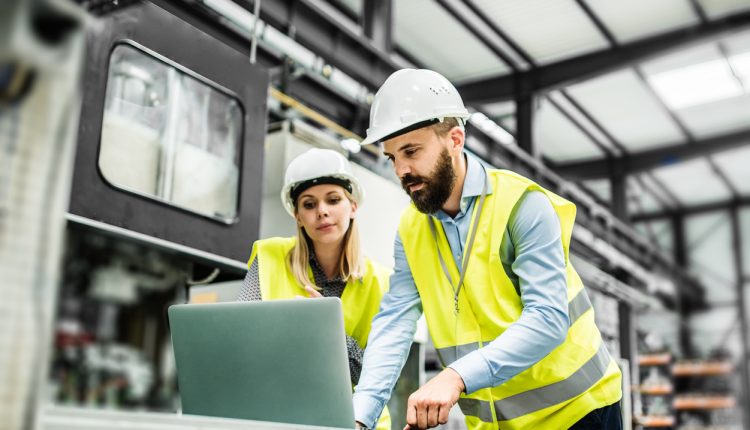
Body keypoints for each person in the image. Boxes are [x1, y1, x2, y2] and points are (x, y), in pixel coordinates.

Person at [352, 69, 623, 430]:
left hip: (579, 412)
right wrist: (359, 416)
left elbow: (549, 318)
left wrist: (455, 377)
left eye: (411, 151)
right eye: (392, 158)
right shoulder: (411, 231)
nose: (402, 170)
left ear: (455, 139)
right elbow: (394, 323)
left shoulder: (522, 205)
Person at [237, 148, 391, 430]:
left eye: (333, 200)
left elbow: (376, 373)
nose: (322, 211)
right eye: (309, 204)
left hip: (356, 421)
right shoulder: (269, 257)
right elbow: (242, 341)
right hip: (281, 415)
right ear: (298, 216)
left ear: (352, 206)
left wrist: (326, 330)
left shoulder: (382, 281)